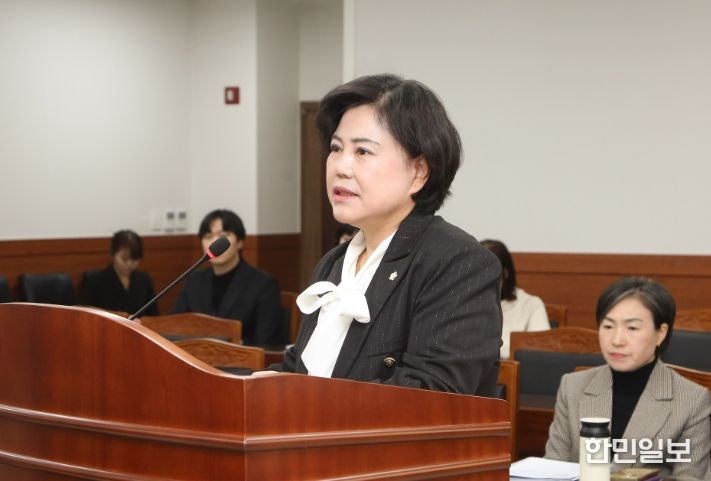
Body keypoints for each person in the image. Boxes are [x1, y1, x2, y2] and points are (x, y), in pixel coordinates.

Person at [271, 74, 502, 396]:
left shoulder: (458, 264)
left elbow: (431, 395)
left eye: (363, 152)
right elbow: (302, 369)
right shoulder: (333, 263)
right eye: (336, 148)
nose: (340, 167)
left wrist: (309, 405)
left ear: (419, 172)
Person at [545, 277, 710, 480]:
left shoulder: (692, 401)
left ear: (660, 333)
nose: (616, 340)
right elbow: (552, 470)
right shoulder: (573, 387)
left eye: (632, 328)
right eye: (608, 326)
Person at [170, 209, 285, 347]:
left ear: (240, 242)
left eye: (223, 236)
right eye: (208, 236)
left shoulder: (263, 284)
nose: (214, 242)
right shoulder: (194, 280)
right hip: (196, 356)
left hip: (242, 359)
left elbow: (267, 343)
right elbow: (174, 326)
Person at [481, 239, 550, 359]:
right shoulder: (464, 303)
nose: (481, 282)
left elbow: (541, 352)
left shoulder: (531, 305)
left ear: (505, 274)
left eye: (487, 275)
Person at [80, 230, 158, 316]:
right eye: (124, 259)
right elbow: (86, 314)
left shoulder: (144, 279)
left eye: (135, 259)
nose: (129, 264)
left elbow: (153, 315)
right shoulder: (94, 280)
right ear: (113, 254)